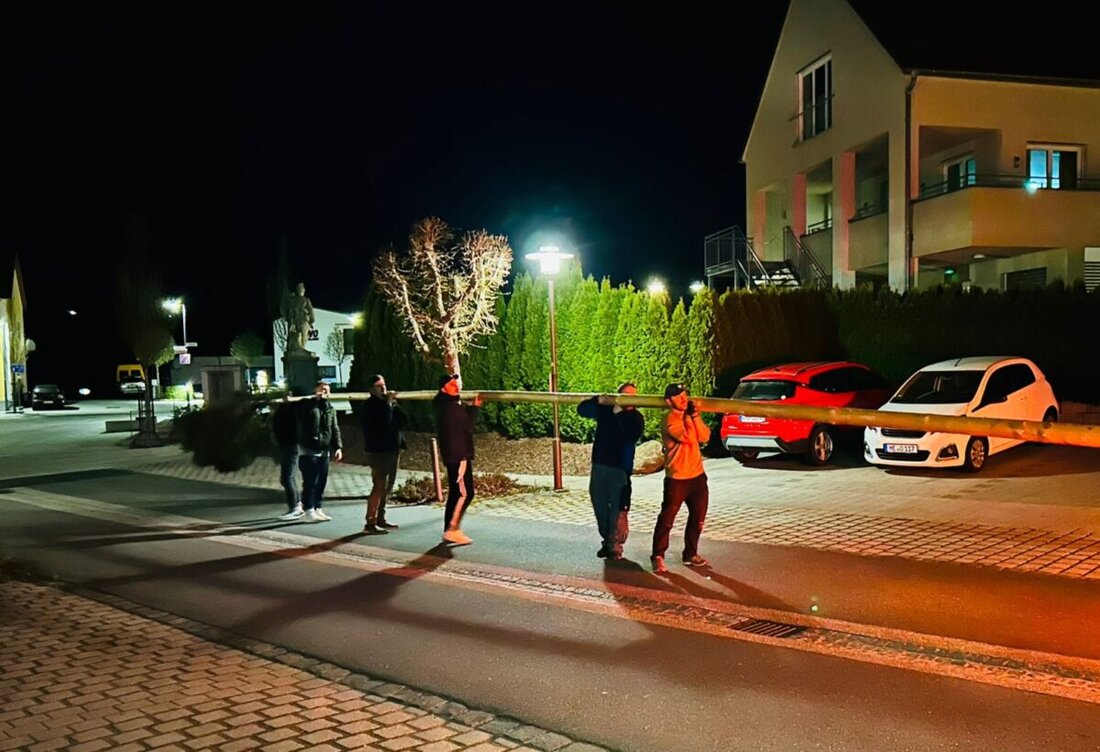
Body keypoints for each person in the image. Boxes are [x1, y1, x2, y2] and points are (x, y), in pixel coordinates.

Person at [577, 382, 645, 560]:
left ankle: (615, 545)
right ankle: (607, 540)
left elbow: (631, 434)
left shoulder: (635, 418)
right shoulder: (606, 411)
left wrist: (620, 414)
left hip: (620, 468)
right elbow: (582, 409)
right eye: (627, 395)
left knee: (617, 508)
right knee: (599, 504)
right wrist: (598, 400)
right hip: (600, 464)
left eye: (634, 396)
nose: (631, 399)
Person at [651, 382, 711, 574]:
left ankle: (690, 553)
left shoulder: (689, 417)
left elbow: (704, 436)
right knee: (667, 519)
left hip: (697, 477)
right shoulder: (670, 418)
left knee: (698, 518)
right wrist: (689, 418)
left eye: (685, 395)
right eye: (679, 397)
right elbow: (686, 437)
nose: (684, 400)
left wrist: (695, 416)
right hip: (677, 478)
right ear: (669, 401)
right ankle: (658, 556)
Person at [432, 373, 482, 546]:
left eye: (456, 384)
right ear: (444, 388)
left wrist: (471, 409)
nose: (456, 387)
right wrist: (462, 457)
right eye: (452, 385)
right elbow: (464, 428)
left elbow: (463, 424)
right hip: (458, 456)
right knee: (465, 493)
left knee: (456, 493)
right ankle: (452, 529)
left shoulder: (447, 407)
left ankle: (450, 529)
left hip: (456, 455)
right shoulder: (451, 409)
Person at [360, 373, 408, 534]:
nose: (383, 389)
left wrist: (394, 405)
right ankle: (370, 522)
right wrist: (388, 405)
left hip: (392, 450)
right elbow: (383, 425)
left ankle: (381, 518)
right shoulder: (370, 406)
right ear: (371, 390)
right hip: (378, 452)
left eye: (384, 385)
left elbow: (404, 421)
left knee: (387, 486)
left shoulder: (388, 404)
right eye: (379, 386)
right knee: (379, 485)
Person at [298, 381, 343, 522]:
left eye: (327, 390)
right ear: (315, 390)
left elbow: (334, 428)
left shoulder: (330, 408)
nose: (325, 393)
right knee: (310, 481)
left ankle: (318, 507)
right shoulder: (308, 405)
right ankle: (308, 509)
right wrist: (315, 401)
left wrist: (338, 447)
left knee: (321, 481)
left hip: (324, 450)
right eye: (322, 389)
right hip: (309, 449)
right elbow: (304, 417)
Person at [274, 387, 306, 521]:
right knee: (286, 478)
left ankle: (296, 507)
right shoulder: (284, 408)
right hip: (284, 445)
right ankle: (296, 505)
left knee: (287, 477)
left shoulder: (294, 410)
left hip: (291, 445)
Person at [284, 282, 316, 353]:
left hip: (303, 320)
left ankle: (302, 348)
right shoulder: (293, 300)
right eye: (300, 289)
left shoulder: (305, 300)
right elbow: (290, 311)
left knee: (304, 334)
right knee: (297, 335)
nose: (302, 290)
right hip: (297, 321)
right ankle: (299, 348)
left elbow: (311, 310)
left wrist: (311, 321)